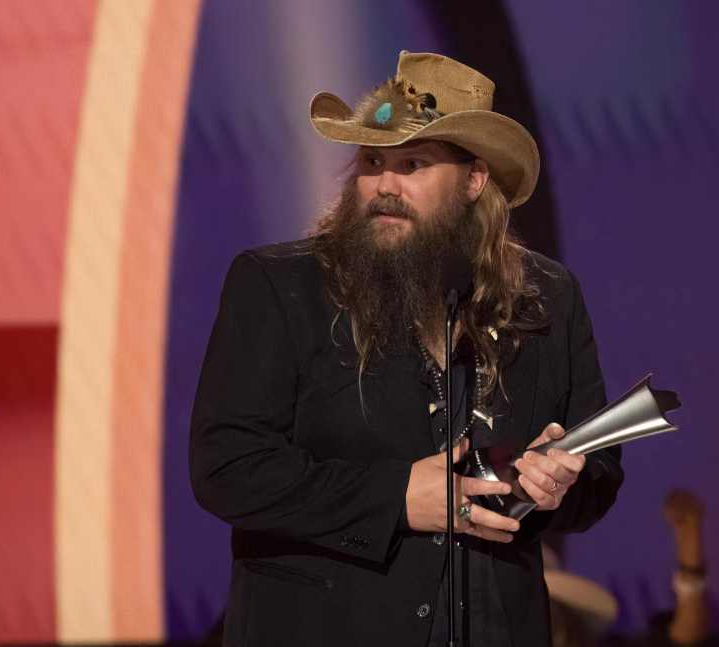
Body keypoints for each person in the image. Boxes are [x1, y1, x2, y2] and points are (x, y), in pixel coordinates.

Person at [190, 50, 624, 646]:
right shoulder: (280, 286)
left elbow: (598, 478)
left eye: (412, 163)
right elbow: (227, 467)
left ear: (474, 180)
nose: (384, 186)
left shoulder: (545, 296)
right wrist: (395, 497)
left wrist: (557, 483)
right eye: (372, 160)